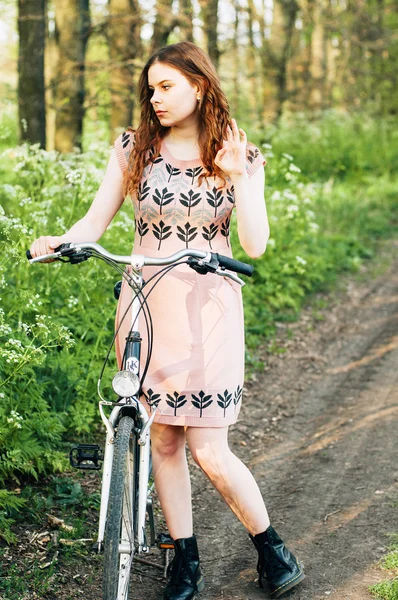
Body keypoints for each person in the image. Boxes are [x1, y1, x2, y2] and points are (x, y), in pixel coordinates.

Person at [29, 41, 304, 599]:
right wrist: (62, 242)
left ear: (199, 85)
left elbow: (256, 241)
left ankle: (271, 547)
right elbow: (96, 219)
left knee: (209, 447)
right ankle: (185, 562)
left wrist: (240, 179)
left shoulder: (237, 153)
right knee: (164, 442)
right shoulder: (134, 149)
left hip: (211, 307)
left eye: (166, 86)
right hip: (143, 300)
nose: (154, 98)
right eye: (150, 88)